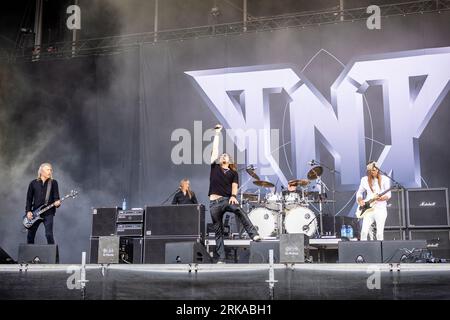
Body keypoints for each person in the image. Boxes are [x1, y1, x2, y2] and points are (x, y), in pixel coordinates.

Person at [209, 124, 261, 263]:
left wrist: (233, 196)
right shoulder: (214, 167)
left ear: (230, 161)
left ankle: (253, 234)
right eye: (222, 155)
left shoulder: (233, 173)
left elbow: (235, 186)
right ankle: (221, 258)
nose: (223, 155)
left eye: (225, 155)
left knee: (239, 209)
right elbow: (215, 150)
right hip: (214, 204)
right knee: (218, 231)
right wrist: (217, 134)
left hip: (226, 200)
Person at [25, 163, 61, 244]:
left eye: (51, 170)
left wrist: (58, 203)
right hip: (35, 213)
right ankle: (29, 255)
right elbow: (29, 199)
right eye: (47, 169)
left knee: (49, 235)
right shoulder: (33, 183)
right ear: (41, 171)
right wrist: (28, 211)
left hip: (49, 213)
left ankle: (53, 256)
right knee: (30, 235)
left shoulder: (53, 182)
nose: (50, 171)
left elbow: (56, 198)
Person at [356, 161, 391, 241]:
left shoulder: (385, 179)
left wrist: (382, 198)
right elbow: (359, 192)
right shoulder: (364, 180)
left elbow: (389, 194)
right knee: (364, 232)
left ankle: (380, 252)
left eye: (375, 170)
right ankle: (363, 251)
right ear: (369, 171)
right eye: (371, 170)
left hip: (380, 209)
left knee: (379, 234)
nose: (373, 172)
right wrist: (360, 200)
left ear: (378, 170)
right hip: (368, 210)